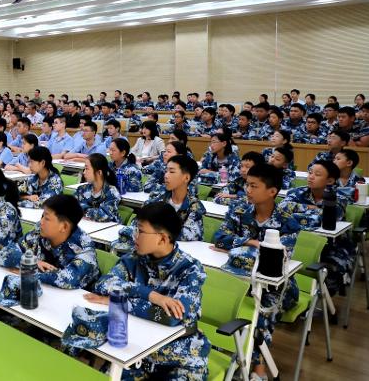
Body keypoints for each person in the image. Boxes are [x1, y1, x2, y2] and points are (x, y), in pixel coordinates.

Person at [84, 202, 210, 380]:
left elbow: (172, 317)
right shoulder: (134, 259)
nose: (135, 236)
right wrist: (150, 295)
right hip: (137, 353)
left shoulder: (190, 270)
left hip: (180, 360)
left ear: (162, 239)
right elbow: (104, 284)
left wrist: (121, 302)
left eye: (141, 231)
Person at [214, 163, 302, 380]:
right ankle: (226, 355)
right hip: (240, 279)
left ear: (272, 191)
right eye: (247, 185)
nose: (248, 190)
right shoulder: (239, 210)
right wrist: (252, 242)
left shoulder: (286, 221)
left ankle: (258, 368)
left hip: (277, 287)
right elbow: (219, 238)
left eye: (254, 186)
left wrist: (237, 245)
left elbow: (278, 256)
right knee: (215, 300)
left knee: (259, 314)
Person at [279, 160, 353, 295]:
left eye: (317, 174)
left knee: (330, 278)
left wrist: (295, 214)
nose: (311, 177)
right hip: (299, 240)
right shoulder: (298, 192)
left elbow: (327, 216)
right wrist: (310, 207)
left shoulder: (339, 197)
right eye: (310, 173)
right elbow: (282, 208)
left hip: (331, 246)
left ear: (330, 181)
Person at [0, 194, 99, 289]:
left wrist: (28, 273)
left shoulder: (84, 248)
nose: (41, 222)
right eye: (42, 216)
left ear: (64, 226)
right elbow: (2, 253)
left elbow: (67, 279)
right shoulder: (39, 233)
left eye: (47, 218)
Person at [145, 155, 205, 241]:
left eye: (172, 172)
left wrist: (151, 230)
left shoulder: (194, 206)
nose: (166, 175)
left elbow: (188, 234)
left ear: (186, 178)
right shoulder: (157, 197)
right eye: (166, 171)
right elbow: (138, 222)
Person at [74, 154, 122, 222]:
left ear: (99, 172)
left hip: (107, 227)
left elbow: (104, 216)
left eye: (87, 169)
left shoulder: (111, 192)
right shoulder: (82, 189)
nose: (84, 172)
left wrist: (82, 209)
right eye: (84, 169)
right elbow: (70, 206)